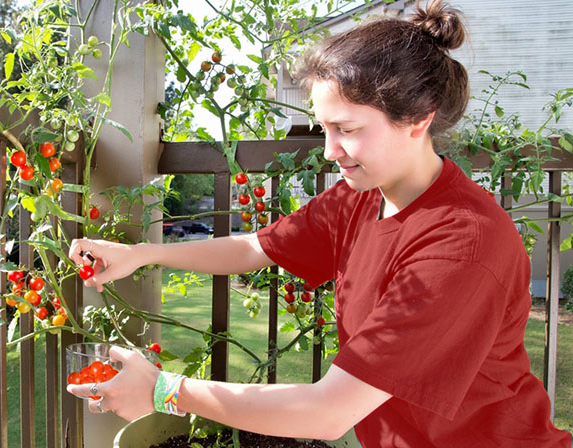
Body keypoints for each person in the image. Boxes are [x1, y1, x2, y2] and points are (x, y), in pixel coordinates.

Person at [67, 1, 573, 446]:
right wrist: (144, 254)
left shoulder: (461, 245)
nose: (330, 152)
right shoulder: (363, 197)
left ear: (419, 119)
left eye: (346, 129)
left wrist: (163, 390)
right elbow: (255, 248)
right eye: (323, 127)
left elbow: (328, 411)